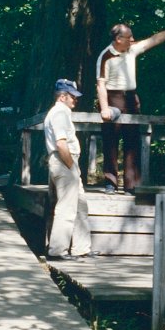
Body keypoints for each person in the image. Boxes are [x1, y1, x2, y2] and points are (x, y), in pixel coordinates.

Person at [96, 23, 165, 193]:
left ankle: (131, 185)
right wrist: (104, 108)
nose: (133, 40)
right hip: (112, 97)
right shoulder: (106, 56)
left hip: (131, 98)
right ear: (118, 39)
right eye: (129, 37)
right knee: (111, 141)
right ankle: (111, 182)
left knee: (132, 141)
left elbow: (153, 40)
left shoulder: (131, 49)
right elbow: (101, 85)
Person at [44, 78, 99, 261]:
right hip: (64, 161)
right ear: (62, 97)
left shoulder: (63, 112)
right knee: (66, 207)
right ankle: (57, 250)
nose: (75, 100)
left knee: (81, 205)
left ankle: (81, 248)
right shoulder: (59, 113)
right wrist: (70, 166)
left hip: (68, 163)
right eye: (72, 97)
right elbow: (61, 143)